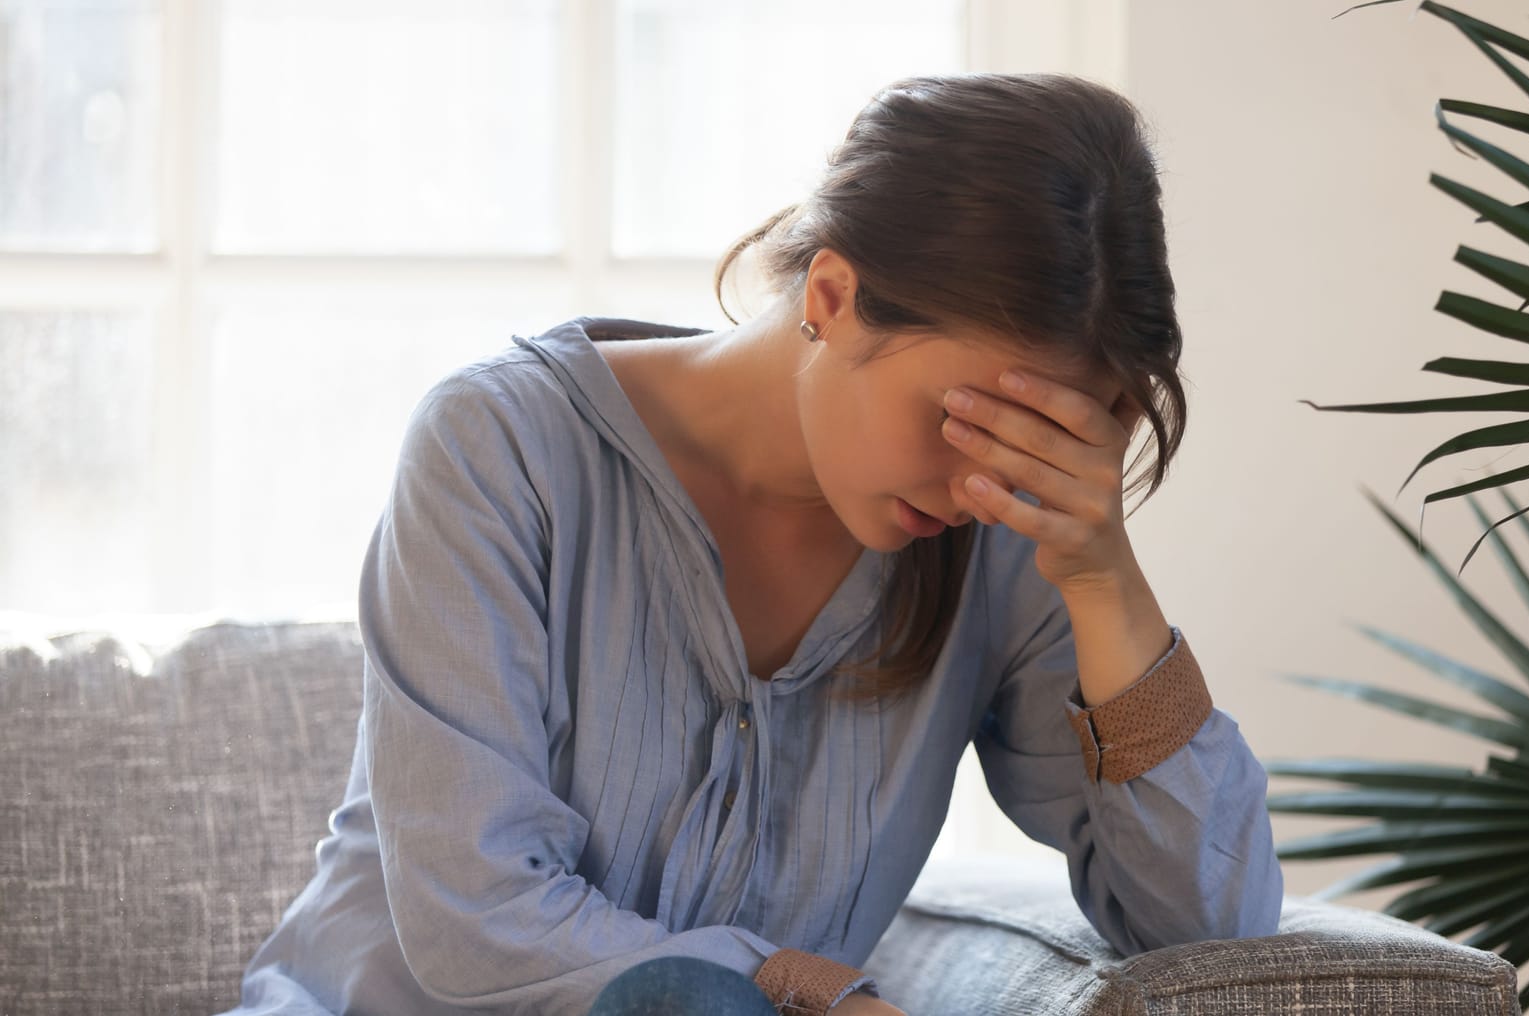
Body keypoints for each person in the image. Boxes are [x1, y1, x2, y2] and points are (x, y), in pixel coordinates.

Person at [219, 71, 1284, 1016]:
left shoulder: (1003, 539)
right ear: (830, 296)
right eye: (962, 418)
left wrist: (1102, 575)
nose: (984, 479)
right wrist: (809, 991)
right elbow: (475, 915)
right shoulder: (500, 448)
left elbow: (1207, 933)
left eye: (1043, 442)